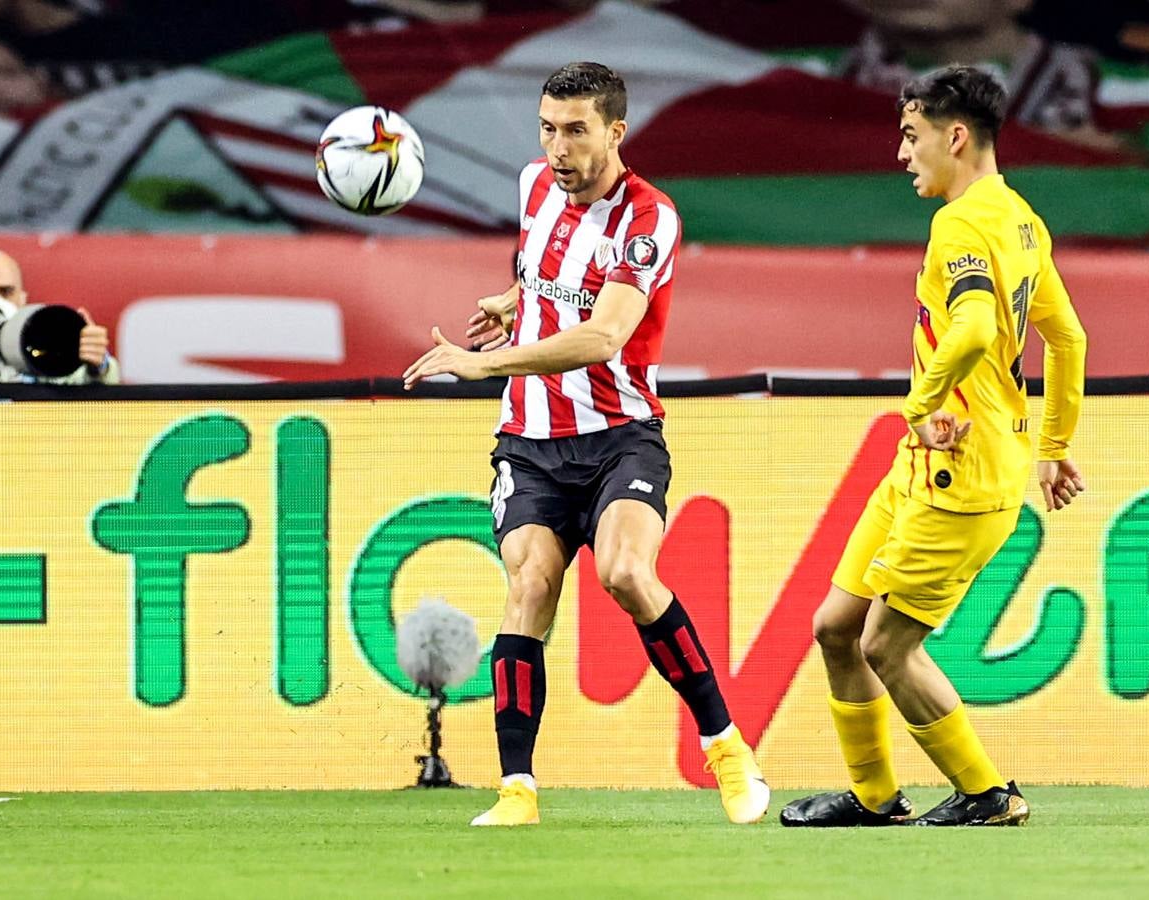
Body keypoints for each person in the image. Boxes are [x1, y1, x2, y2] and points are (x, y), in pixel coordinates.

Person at [402, 61, 769, 827]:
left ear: (615, 132)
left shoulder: (648, 219)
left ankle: (726, 748)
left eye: (575, 130)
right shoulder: (535, 185)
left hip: (619, 437)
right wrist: (513, 303)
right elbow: (541, 269)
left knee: (628, 573)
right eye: (548, 128)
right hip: (531, 442)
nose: (558, 147)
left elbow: (604, 334)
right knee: (529, 585)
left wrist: (484, 362)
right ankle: (517, 791)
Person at [780, 65, 1087, 828]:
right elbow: (1069, 338)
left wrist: (917, 405)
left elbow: (979, 325)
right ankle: (875, 795)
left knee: (886, 643)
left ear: (955, 136)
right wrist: (1053, 445)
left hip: (959, 471)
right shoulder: (1021, 218)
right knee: (835, 627)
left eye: (912, 136)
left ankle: (989, 793)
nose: (901, 153)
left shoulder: (963, 224)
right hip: (926, 470)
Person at [0, 248, 119, 384]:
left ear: (22, 300)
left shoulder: (40, 355)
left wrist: (98, 365)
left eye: (6, 292)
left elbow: (95, 384)